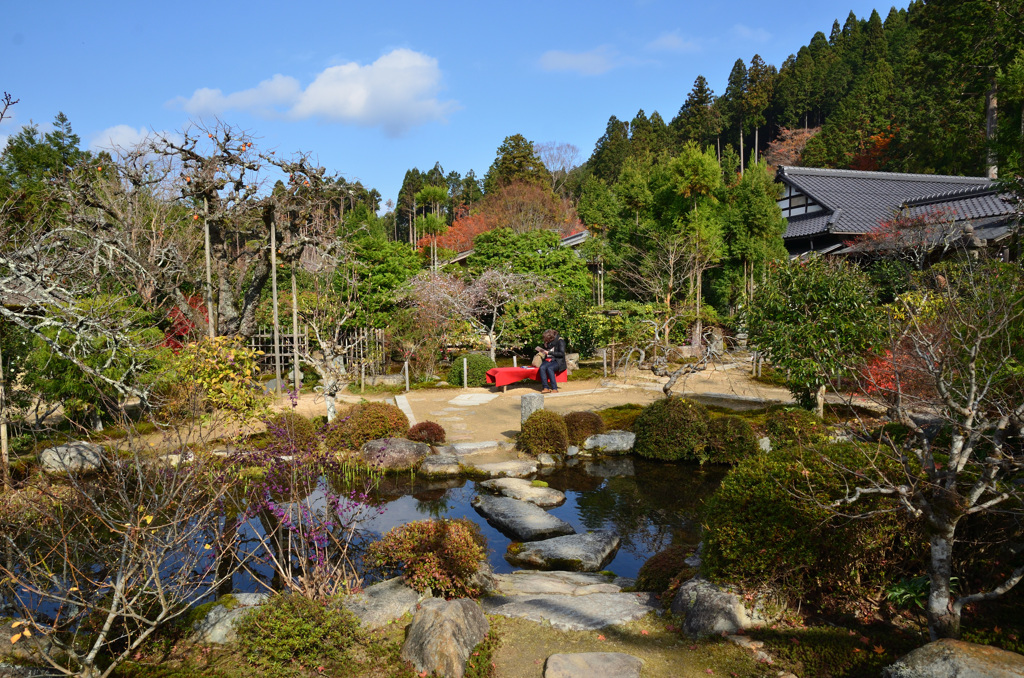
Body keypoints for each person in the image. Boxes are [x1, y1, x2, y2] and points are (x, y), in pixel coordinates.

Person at [536, 329, 566, 394]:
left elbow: (562, 354)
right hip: (549, 359)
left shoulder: (560, 341)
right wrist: (544, 348)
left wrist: (549, 352)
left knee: (550, 368)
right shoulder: (549, 342)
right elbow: (547, 351)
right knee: (542, 368)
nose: (546, 340)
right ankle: (545, 387)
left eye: (547, 339)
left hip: (558, 361)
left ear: (551, 337)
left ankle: (554, 388)